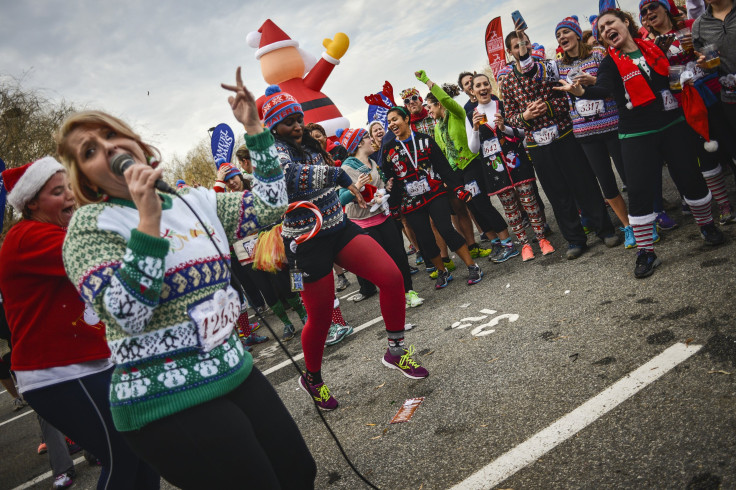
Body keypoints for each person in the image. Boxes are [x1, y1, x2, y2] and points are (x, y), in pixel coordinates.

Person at [55, 68, 316, 488]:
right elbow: (126, 313)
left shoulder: (192, 200)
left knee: (298, 471)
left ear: (136, 144)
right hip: (165, 400)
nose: (107, 149)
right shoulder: (88, 228)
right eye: (89, 150)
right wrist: (148, 223)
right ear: (84, 177)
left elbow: (270, 205)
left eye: (110, 136)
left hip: (232, 367)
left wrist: (254, 128)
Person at [262, 84, 429, 411]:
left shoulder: (310, 145)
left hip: (338, 228)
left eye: (298, 118)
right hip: (306, 244)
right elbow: (286, 176)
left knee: (392, 278)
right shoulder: (275, 153)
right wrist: (337, 175)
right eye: (287, 122)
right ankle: (312, 378)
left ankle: (395, 351)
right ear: (272, 128)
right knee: (321, 317)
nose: (296, 125)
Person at [0, 157, 160, 489]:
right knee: (124, 455)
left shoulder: (59, 229)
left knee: (146, 453)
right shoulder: (27, 236)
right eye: (59, 192)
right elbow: (106, 252)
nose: (71, 196)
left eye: (70, 188)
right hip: (58, 374)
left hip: (92, 364)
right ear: (32, 203)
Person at [556, 8, 725, 278]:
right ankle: (646, 251)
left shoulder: (655, 49)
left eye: (610, 23)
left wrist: (689, 73)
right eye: (601, 29)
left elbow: (673, 74)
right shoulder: (610, 62)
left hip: (672, 124)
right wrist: (582, 91)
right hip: (636, 132)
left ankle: (707, 226)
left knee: (689, 178)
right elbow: (603, 88)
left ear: (625, 23)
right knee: (639, 189)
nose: (605, 30)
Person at [501, 26, 619, 259]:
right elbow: (510, 116)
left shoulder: (549, 68)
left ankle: (604, 230)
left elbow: (569, 97)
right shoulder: (506, 81)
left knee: (584, 183)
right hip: (537, 143)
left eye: (525, 42)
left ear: (531, 43)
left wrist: (550, 107)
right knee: (557, 193)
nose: (522, 48)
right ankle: (575, 239)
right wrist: (525, 117)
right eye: (517, 46)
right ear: (510, 52)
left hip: (564, 135)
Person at [642, 0, 736, 224]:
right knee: (706, 156)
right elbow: (657, 80)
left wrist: (697, 52)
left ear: (666, 8)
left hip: (714, 95)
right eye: (644, 12)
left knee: (731, 145)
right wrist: (660, 56)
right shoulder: (649, 46)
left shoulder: (691, 25)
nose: (649, 12)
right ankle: (724, 205)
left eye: (653, 6)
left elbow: (713, 55)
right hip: (685, 105)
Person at [417, 71, 516, 262]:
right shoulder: (438, 126)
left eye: (430, 106)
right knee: (474, 209)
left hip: (472, 164)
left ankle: (507, 243)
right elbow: (443, 154)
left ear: (439, 104)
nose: (428, 111)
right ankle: (495, 242)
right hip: (457, 173)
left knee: (482, 204)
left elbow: (446, 99)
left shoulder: (456, 114)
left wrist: (427, 81)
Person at [555, 15, 636, 247]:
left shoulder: (599, 55)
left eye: (565, 32)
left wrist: (592, 81)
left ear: (577, 34)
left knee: (630, 176)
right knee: (607, 183)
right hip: (586, 132)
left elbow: (612, 86)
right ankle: (628, 226)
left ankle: (645, 220)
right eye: (558, 35)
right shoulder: (558, 67)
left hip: (612, 125)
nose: (562, 37)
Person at [381, 106, 484, 288]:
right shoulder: (388, 150)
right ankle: (443, 272)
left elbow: (443, 167)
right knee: (424, 238)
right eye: (389, 122)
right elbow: (391, 179)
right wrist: (394, 203)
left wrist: (458, 188)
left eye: (395, 119)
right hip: (410, 201)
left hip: (434, 193)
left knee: (445, 228)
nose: (392, 124)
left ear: (406, 119)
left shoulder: (425, 140)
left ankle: (473, 266)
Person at [468, 73, 555, 260]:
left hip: (516, 161)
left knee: (529, 202)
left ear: (490, 87)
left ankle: (542, 240)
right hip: (495, 170)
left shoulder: (503, 105)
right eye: (478, 86)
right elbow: (474, 149)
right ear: (473, 91)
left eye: (485, 84)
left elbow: (523, 131)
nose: (483, 88)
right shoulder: (471, 115)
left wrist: (503, 128)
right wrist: (475, 129)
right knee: (510, 208)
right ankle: (524, 244)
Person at [336, 126, 424, 308]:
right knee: (381, 266)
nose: (372, 140)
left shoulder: (372, 163)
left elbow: (378, 188)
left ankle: (409, 292)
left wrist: (386, 188)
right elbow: (341, 199)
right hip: (363, 224)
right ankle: (394, 298)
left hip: (383, 216)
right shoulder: (346, 168)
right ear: (359, 143)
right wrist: (357, 187)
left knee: (399, 257)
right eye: (368, 137)